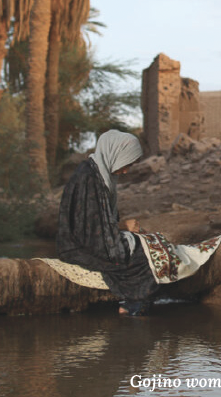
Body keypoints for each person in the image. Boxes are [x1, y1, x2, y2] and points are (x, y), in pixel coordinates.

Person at [57, 130, 157, 316]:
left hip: (93, 239)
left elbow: (99, 221)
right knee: (140, 258)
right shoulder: (88, 178)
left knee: (142, 245)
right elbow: (90, 231)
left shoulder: (99, 174)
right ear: (114, 153)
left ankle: (133, 304)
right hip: (79, 247)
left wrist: (123, 230)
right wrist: (124, 228)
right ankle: (133, 305)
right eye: (125, 164)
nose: (126, 170)